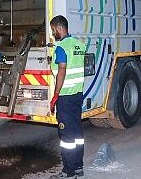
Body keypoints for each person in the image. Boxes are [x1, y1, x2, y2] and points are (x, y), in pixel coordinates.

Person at [49, 15, 86, 178]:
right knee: (77, 133)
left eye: (53, 30)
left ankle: (68, 171)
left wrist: (56, 94)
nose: (52, 33)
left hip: (65, 97)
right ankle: (78, 167)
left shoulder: (62, 47)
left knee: (67, 137)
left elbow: (62, 70)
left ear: (59, 27)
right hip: (78, 95)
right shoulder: (79, 45)